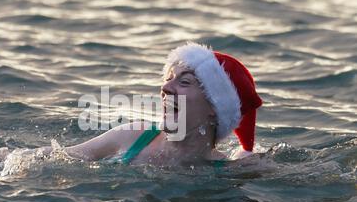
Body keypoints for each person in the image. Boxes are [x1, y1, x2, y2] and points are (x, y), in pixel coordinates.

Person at [65, 42, 263, 166]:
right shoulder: (135, 137)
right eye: (168, 78)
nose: (166, 87)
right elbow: (62, 157)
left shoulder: (229, 172)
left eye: (184, 82)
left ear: (215, 106)